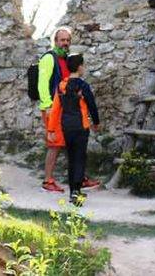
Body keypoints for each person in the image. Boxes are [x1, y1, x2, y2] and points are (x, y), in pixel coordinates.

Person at [37, 28, 100, 193]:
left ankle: (80, 178)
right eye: (61, 40)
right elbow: (42, 84)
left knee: (72, 144)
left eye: (67, 40)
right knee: (55, 144)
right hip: (53, 108)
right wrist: (49, 106)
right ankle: (48, 181)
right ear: (55, 41)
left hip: (65, 109)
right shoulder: (49, 58)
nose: (65, 43)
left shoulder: (66, 59)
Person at [46, 53, 100, 205]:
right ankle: (77, 191)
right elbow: (91, 105)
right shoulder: (83, 85)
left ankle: (72, 192)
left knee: (71, 158)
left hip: (66, 127)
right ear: (80, 67)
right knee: (80, 157)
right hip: (81, 126)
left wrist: (51, 130)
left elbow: (56, 109)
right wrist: (96, 122)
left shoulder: (61, 86)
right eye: (83, 65)